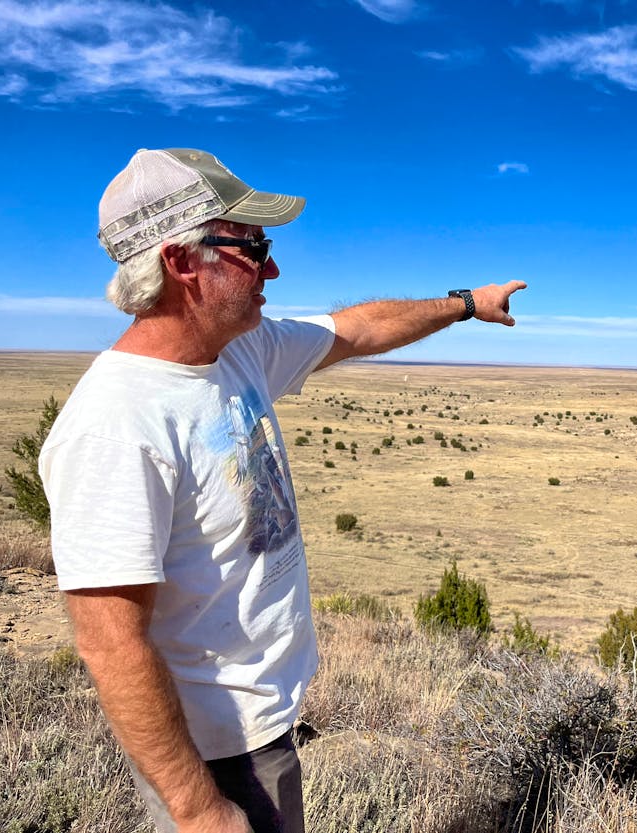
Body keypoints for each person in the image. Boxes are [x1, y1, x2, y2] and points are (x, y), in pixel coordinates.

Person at [38, 148, 526, 833]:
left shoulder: (239, 349)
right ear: (182, 263)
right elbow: (110, 642)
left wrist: (466, 305)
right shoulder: (115, 426)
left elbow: (357, 328)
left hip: (261, 723)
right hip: (214, 755)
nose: (273, 267)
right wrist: (199, 806)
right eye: (253, 246)